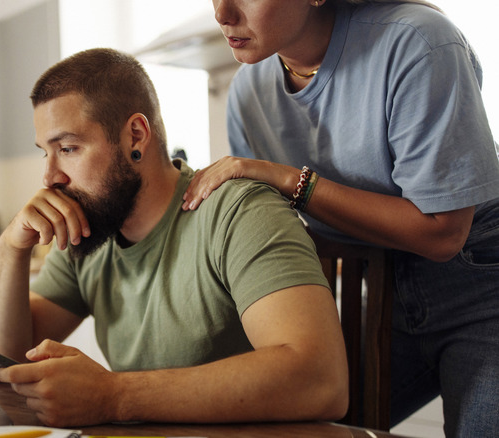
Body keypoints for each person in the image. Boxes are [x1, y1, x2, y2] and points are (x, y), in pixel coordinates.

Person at [0, 48, 349, 427]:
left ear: (135, 136)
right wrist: (11, 248)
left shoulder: (238, 211)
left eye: (68, 148)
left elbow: (320, 380)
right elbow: (3, 366)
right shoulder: (88, 231)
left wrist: (113, 396)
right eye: (46, 153)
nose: (50, 177)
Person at [183, 1, 499, 436]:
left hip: (482, 286)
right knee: (279, 415)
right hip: (378, 290)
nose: (222, 14)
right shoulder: (248, 91)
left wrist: (291, 180)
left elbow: (443, 234)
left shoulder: (419, 42)